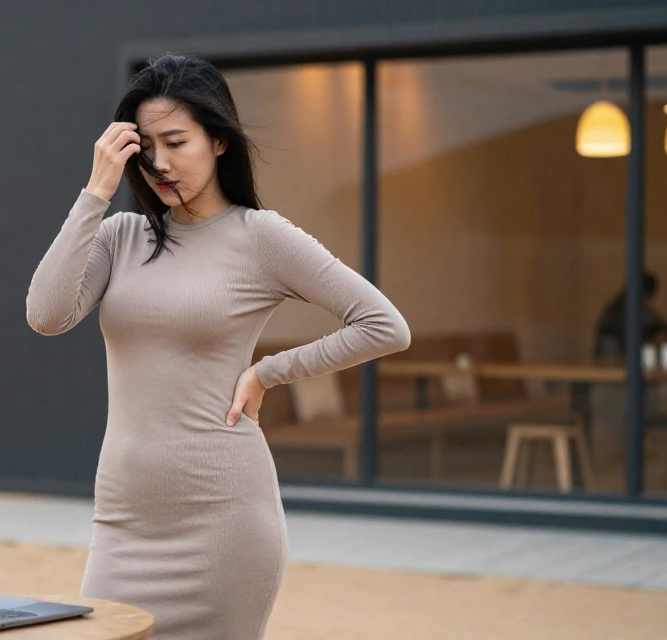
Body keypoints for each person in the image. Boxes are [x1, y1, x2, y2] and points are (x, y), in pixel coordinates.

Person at [25, 53, 411, 639]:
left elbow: (383, 324)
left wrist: (267, 373)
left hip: (222, 523)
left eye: (177, 141)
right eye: (146, 145)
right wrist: (97, 191)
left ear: (220, 142)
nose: (160, 162)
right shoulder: (120, 235)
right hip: (124, 522)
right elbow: (46, 316)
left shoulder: (261, 238)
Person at [593, 271, 667, 362]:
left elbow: (658, 324)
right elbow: (655, 325)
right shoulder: (626, 307)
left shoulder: (622, 304)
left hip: (614, 356)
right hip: (614, 358)